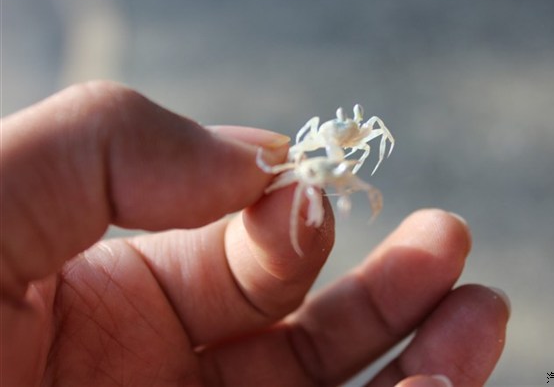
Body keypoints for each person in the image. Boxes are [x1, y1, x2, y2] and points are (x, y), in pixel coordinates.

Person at [0, 81, 509, 386]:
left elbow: (357, 145)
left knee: (317, 208)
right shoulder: (303, 162)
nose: (356, 124)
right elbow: (293, 157)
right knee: (301, 206)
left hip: (314, 173)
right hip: (305, 171)